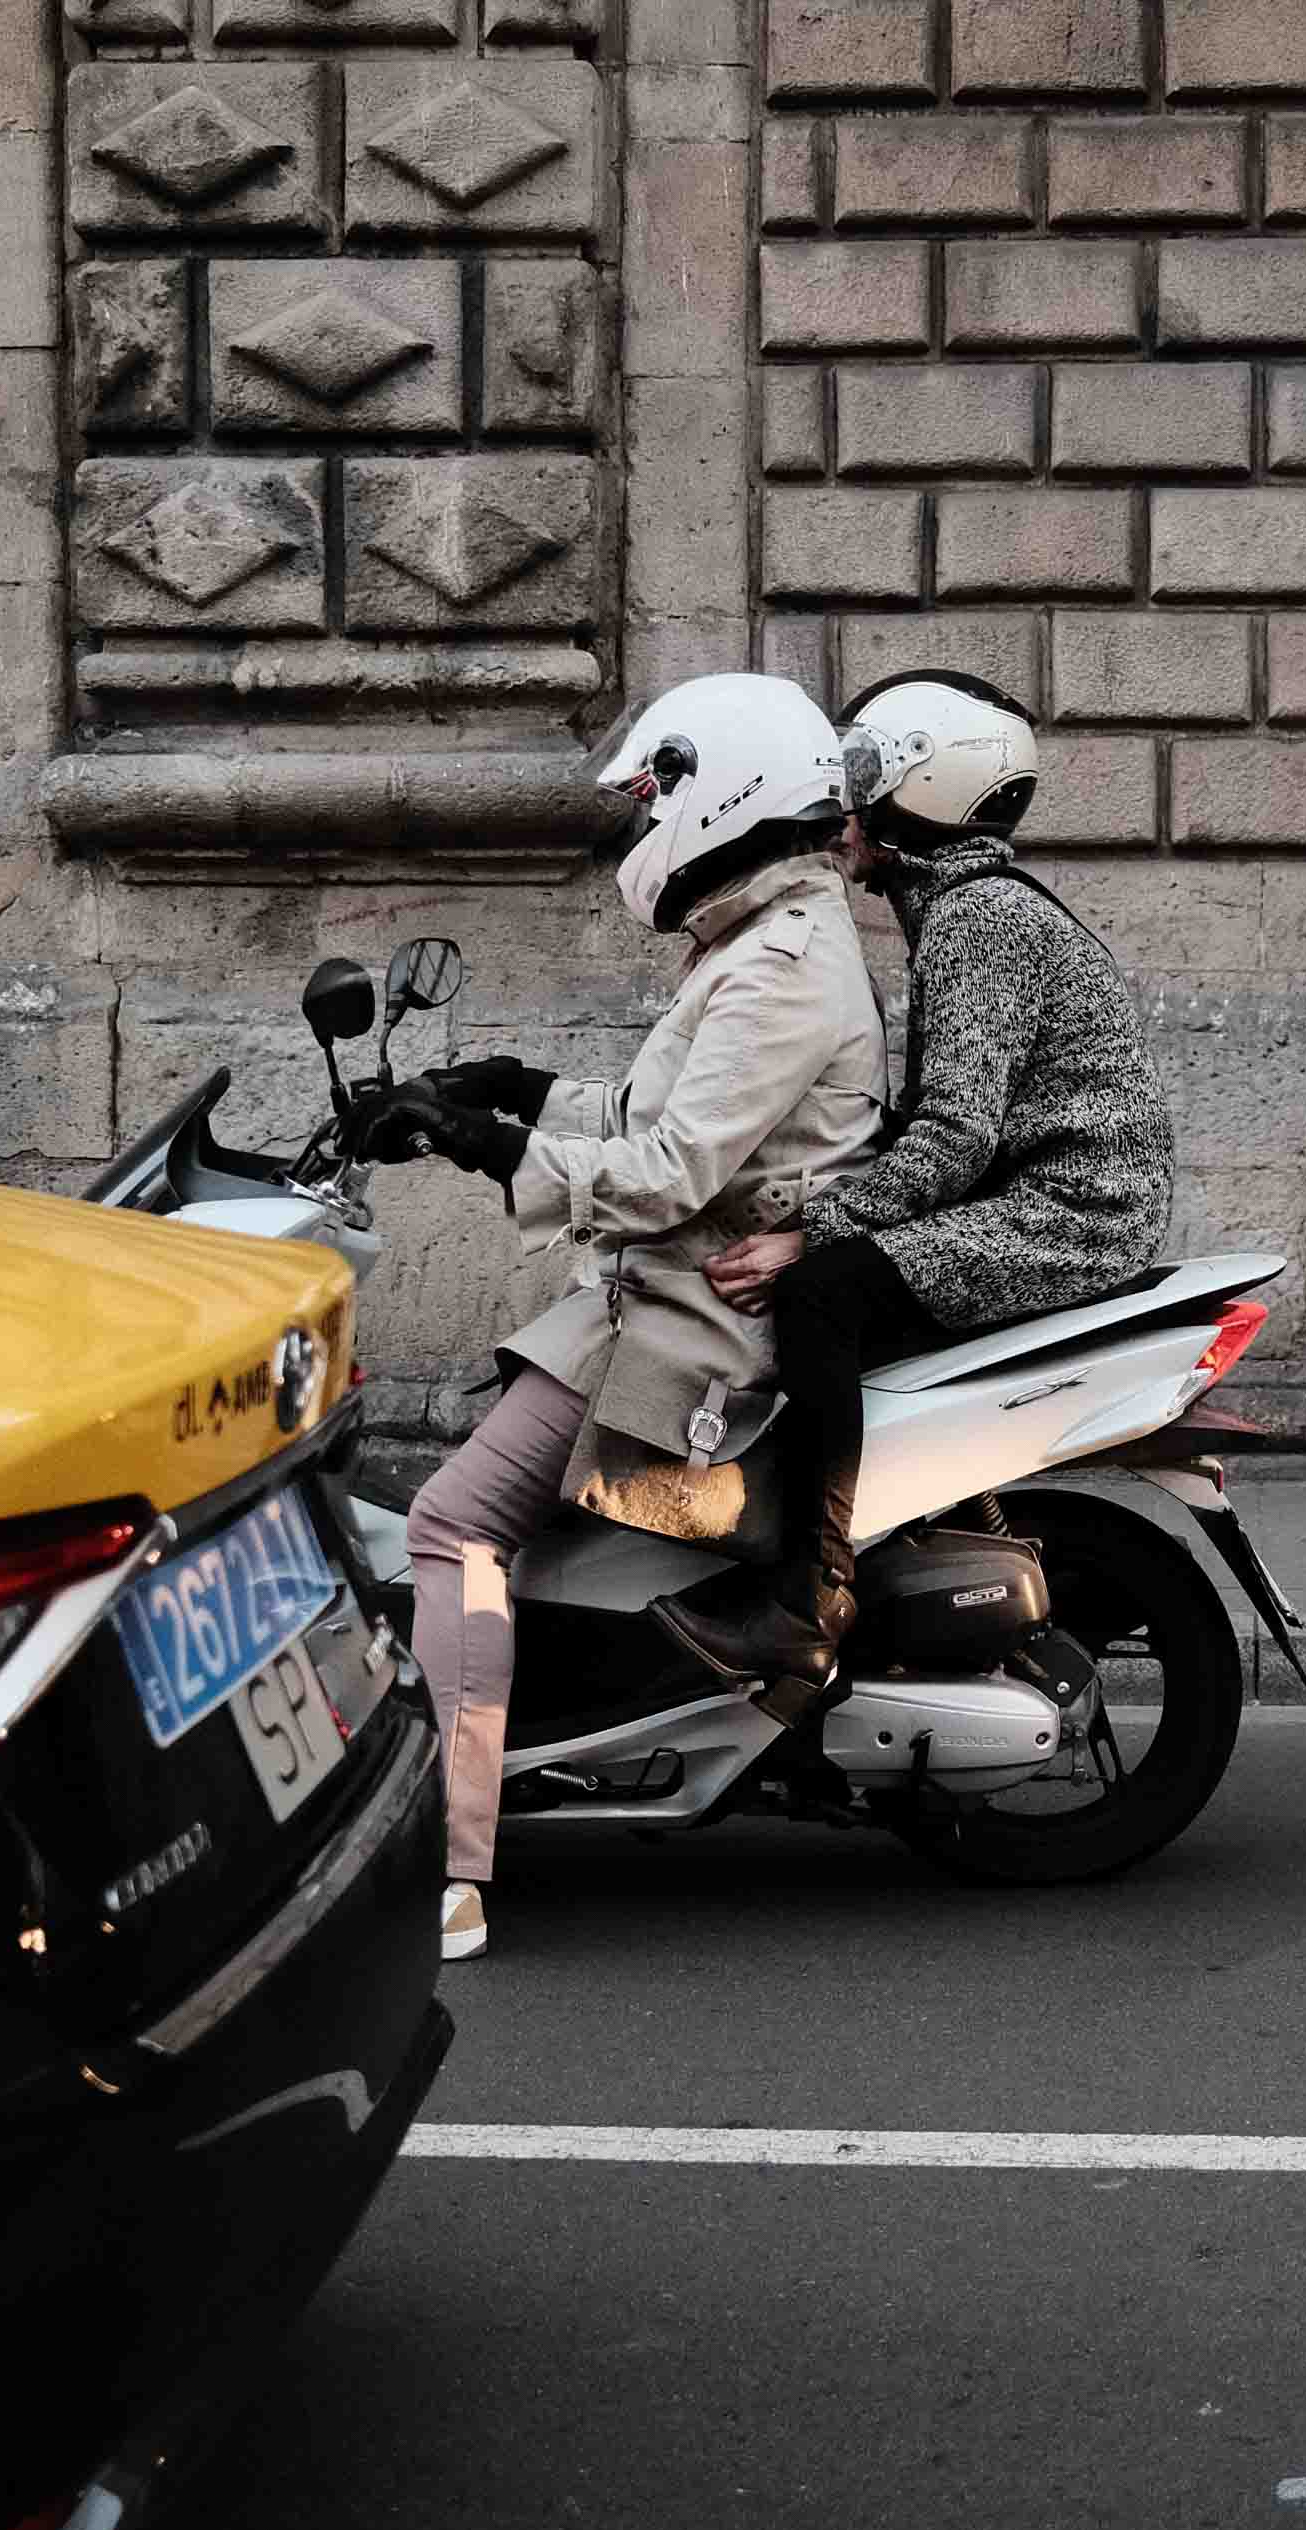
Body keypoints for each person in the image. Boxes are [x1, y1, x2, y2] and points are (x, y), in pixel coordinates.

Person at [357, 672, 886, 1963]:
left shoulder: (783, 968)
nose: (646, 818)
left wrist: (495, 1149)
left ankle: (450, 1869)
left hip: (685, 1316)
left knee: (451, 1523)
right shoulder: (759, 943)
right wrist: (516, 1091)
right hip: (655, 1288)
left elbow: (672, 1177)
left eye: (659, 793)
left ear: (729, 791)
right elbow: (659, 1122)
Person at [655, 669, 1175, 1691]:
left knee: (818, 1296)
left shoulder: (979, 919)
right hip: (1045, 1197)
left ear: (924, 791)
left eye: (860, 778)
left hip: (1068, 1214)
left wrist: (813, 1231)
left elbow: (952, 1135)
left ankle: (805, 1600)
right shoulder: (961, 911)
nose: (839, 808)